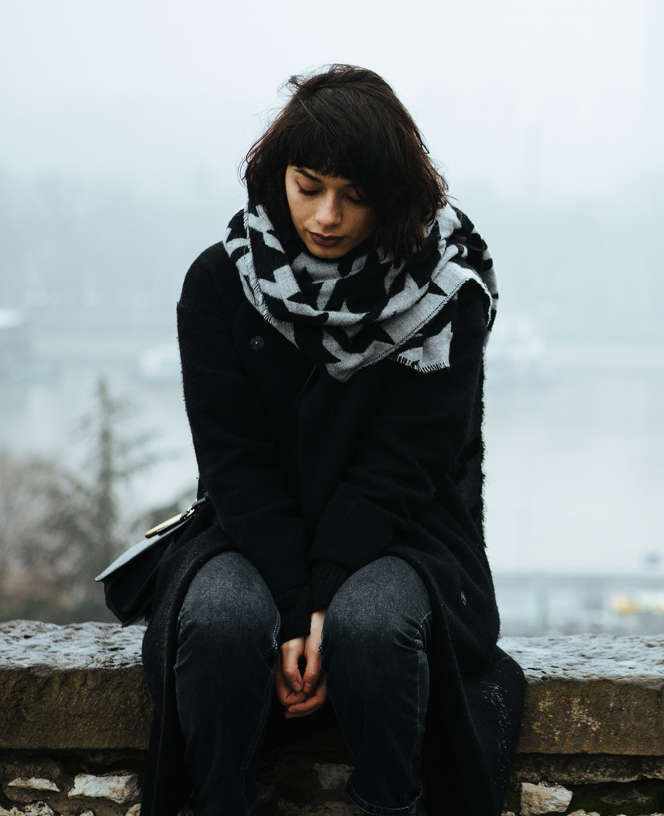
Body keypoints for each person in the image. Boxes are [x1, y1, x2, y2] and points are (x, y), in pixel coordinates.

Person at [139, 65, 526, 816]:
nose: (325, 215)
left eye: (354, 195)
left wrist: (318, 611)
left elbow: (403, 467)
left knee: (371, 627)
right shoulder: (220, 284)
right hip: (249, 530)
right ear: (274, 175)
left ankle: (392, 804)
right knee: (219, 622)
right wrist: (291, 606)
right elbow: (235, 462)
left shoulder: (446, 296)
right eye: (308, 184)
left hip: (408, 534)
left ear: (393, 197)